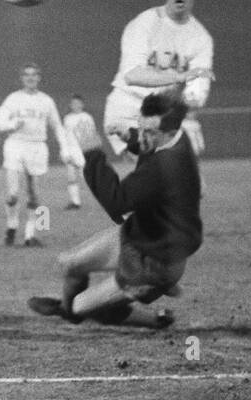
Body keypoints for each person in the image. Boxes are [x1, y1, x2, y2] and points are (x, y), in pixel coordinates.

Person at [27, 91, 198, 329]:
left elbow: (116, 202)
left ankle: (154, 317)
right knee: (69, 264)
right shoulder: (176, 136)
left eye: (150, 132)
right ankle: (72, 309)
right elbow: (148, 144)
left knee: (81, 307)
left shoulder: (166, 166)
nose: (144, 136)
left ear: (169, 131)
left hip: (154, 263)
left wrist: (92, 153)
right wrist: (131, 136)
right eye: (142, 127)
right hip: (139, 236)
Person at [102, 0, 213, 167]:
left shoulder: (201, 39)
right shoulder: (144, 24)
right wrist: (179, 77)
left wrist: (191, 94)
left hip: (163, 114)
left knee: (188, 187)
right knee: (151, 174)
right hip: (128, 108)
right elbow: (133, 75)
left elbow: (196, 95)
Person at [0, 63, 81, 246]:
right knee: (13, 194)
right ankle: (11, 227)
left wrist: (64, 149)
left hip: (38, 147)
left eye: (34, 75)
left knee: (35, 195)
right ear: (22, 78)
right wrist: (11, 125)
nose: (30, 78)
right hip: (15, 144)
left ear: (39, 78)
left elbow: (57, 126)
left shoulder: (46, 101)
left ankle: (32, 235)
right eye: (26, 75)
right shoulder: (13, 99)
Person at [62, 95, 99, 209]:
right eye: (73, 103)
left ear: (82, 104)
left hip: (84, 150)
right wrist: (66, 152)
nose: (75, 105)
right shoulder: (67, 118)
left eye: (78, 103)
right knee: (71, 176)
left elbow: (92, 133)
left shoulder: (87, 117)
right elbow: (65, 136)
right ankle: (75, 202)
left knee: (88, 177)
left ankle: (108, 198)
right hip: (71, 150)